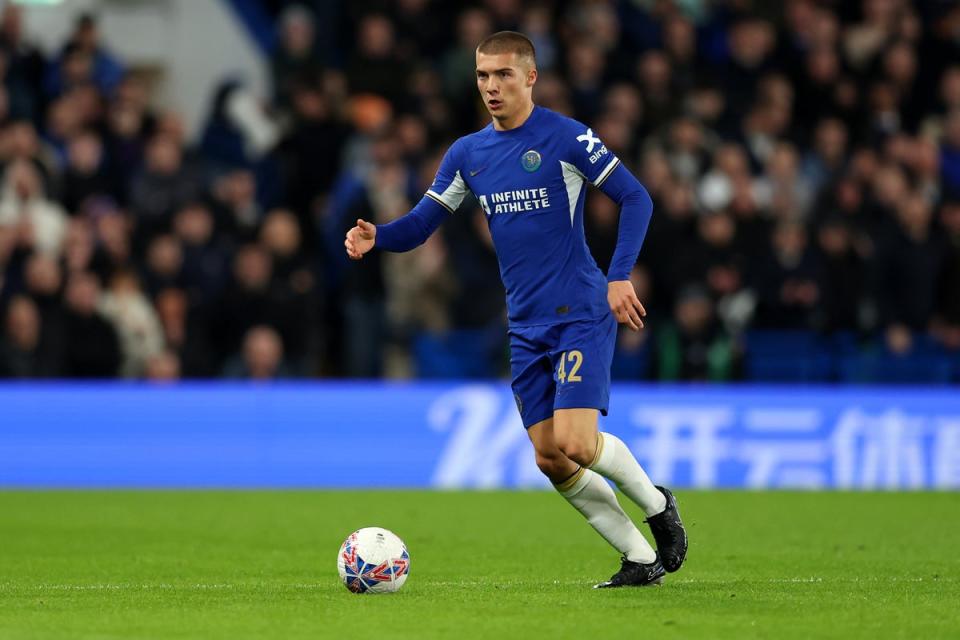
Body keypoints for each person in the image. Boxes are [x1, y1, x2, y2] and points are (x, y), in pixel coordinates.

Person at [345, 31, 687, 588]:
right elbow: (421, 225)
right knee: (551, 458)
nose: (491, 87)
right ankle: (639, 559)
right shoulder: (468, 154)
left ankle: (656, 504)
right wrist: (378, 236)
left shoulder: (567, 137)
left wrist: (618, 276)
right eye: (482, 76)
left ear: (531, 76)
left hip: (579, 310)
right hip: (526, 325)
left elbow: (636, 197)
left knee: (577, 442)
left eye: (503, 74)